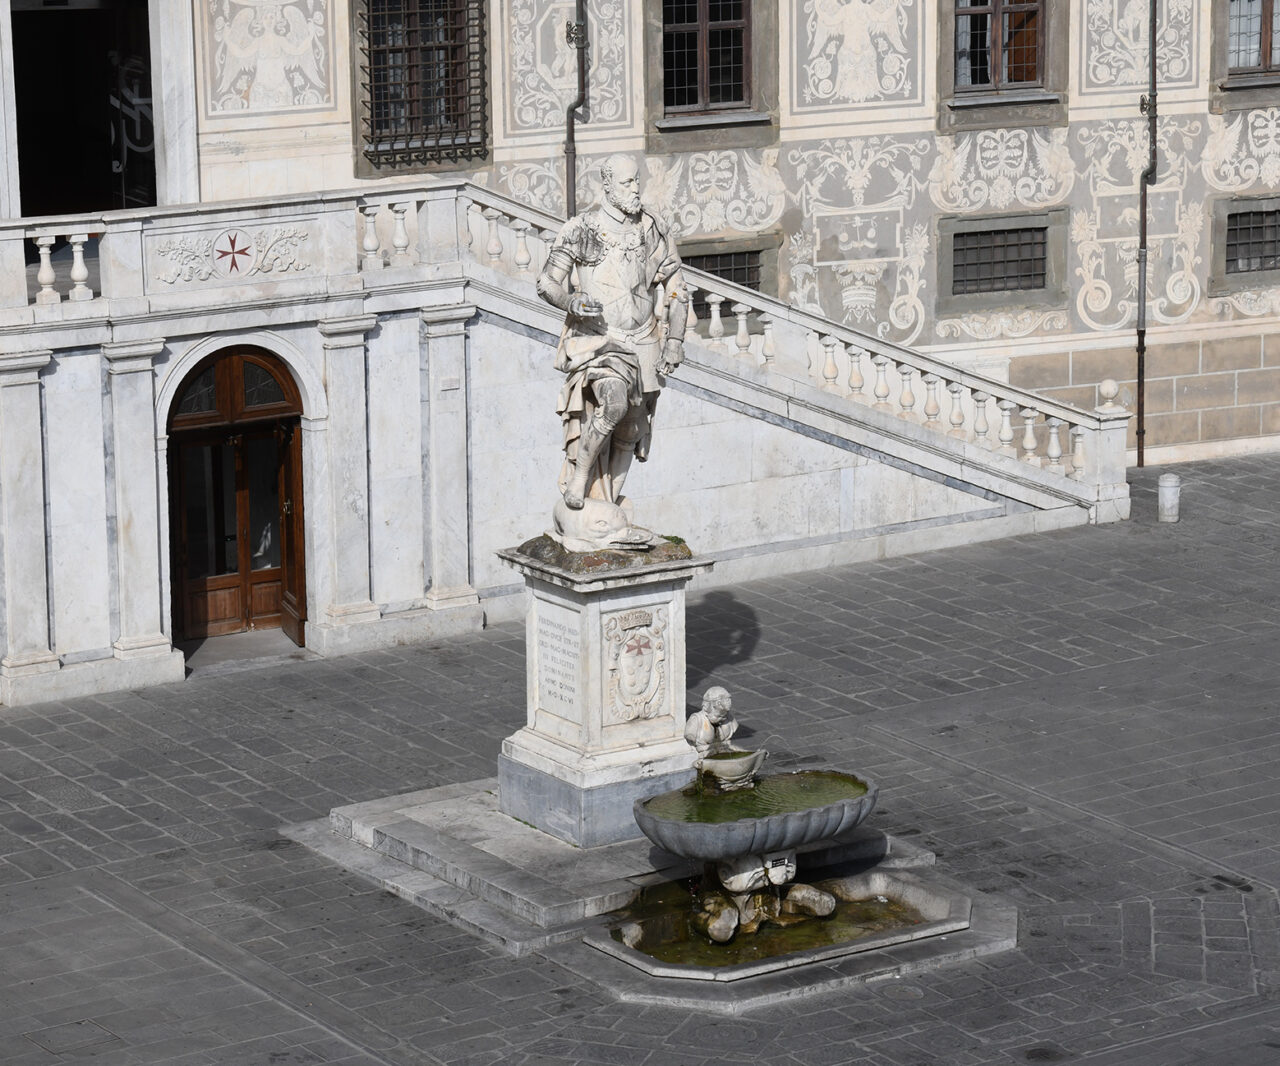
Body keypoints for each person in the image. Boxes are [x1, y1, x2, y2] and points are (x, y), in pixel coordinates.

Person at [536, 155, 689, 510]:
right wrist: (571, 302)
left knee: (633, 429)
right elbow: (546, 282)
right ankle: (578, 479)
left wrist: (676, 342)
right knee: (614, 403)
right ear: (607, 186)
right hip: (602, 341)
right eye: (626, 183)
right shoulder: (582, 228)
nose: (635, 189)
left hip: (646, 341)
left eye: (637, 181)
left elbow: (677, 287)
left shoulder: (653, 228)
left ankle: (607, 501)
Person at [684, 686, 737, 757]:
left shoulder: (729, 718)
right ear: (717, 703)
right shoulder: (697, 719)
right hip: (703, 757)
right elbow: (689, 735)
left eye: (729, 699)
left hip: (725, 753)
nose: (730, 702)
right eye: (727, 699)